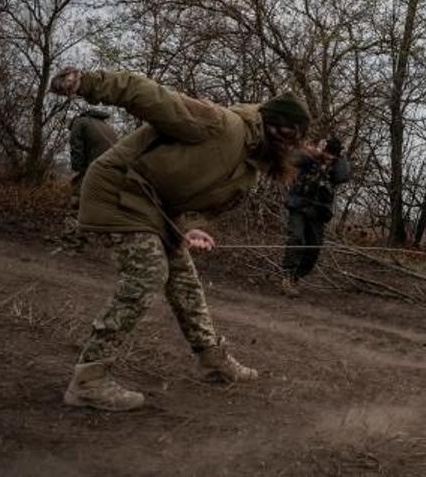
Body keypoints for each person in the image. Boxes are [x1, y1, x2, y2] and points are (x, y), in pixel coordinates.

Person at [49, 67, 310, 412]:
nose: (293, 150)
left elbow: (186, 193)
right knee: (148, 274)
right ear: (278, 129)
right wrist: (88, 83)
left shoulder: (247, 168)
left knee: (184, 279)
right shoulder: (221, 124)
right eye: (293, 140)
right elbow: (150, 95)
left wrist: (188, 228)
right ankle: (89, 379)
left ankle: (213, 361)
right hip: (119, 186)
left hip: (153, 205)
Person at [281, 136, 351, 296]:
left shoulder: (337, 167)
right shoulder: (310, 159)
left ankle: (296, 276)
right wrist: (315, 152)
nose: (329, 157)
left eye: (333, 155)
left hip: (318, 212)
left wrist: (343, 157)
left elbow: (343, 176)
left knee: (314, 248)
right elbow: (292, 159)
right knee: (296, 238)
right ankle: (287, 275)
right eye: (328, 153)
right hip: (299, 205)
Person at [57, 107, 118, 253]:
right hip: (113, 172)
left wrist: (78, 169)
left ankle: (72, 242)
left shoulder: (79, 122)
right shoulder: (107, 127)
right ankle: (111, 242)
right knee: (103, 206)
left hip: (95, 169)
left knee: (76, 202)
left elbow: (76, 148)